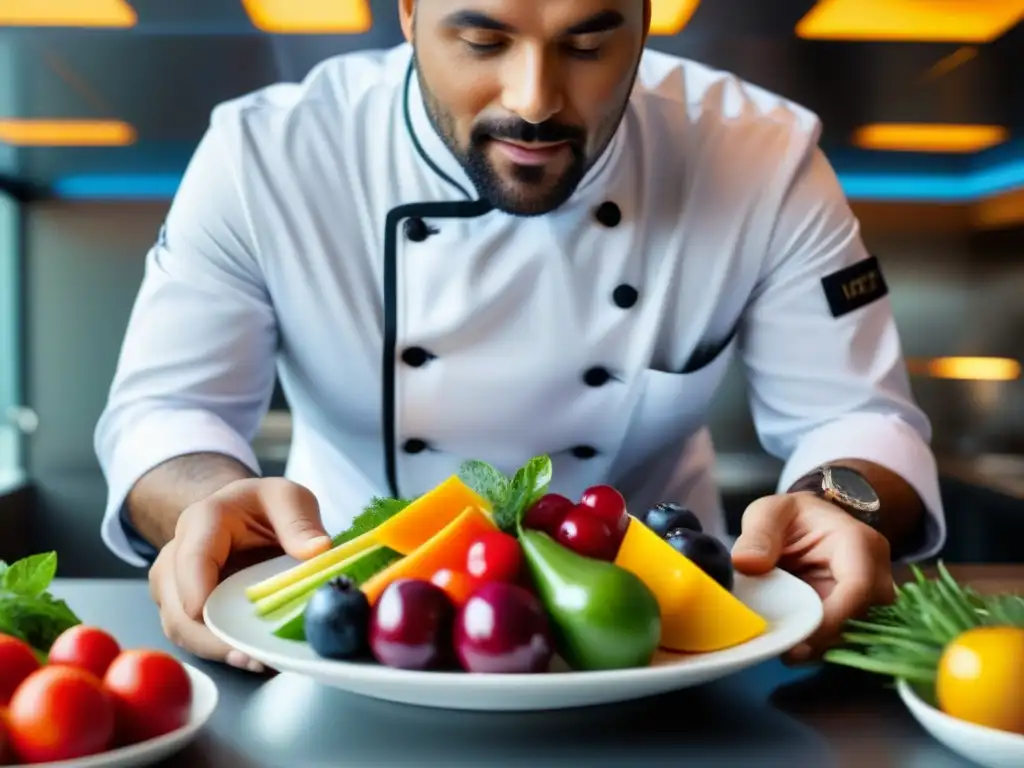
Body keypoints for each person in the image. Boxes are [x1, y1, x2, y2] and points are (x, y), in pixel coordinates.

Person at [95, 0, 945, 673]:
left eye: (586, 44)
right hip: (349, 624)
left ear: (646, 20)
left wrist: (838, 506)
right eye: (482, 40)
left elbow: (855, 420)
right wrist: (203, 505)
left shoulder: (760, 154)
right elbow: (169, 411)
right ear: (408, 14)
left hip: (662, 637)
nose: (534, 98)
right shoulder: (265, 155)